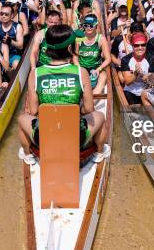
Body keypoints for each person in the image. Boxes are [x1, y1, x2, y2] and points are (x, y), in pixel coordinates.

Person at [17, 24, 108, 165]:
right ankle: (99, 152)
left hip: (45, 137)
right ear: (69, 48)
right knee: (100, 116)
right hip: (76, 137)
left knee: (22, 118)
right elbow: (89, 109)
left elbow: (34, 111)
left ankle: (28, 155)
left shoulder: (35, 74)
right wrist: (78, 108)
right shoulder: (81, 72)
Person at [74, 14, 111, 94]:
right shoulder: (79, 39)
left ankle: (93, 97)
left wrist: (99, 69)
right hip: (82, 68)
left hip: (96, 68)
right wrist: (80, 70)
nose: (88, 28)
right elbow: (75, 58)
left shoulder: (101, 39)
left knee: (103, 76)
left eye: (91, 26)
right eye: (86, 25)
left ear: (96, 26)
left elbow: (108, 59)